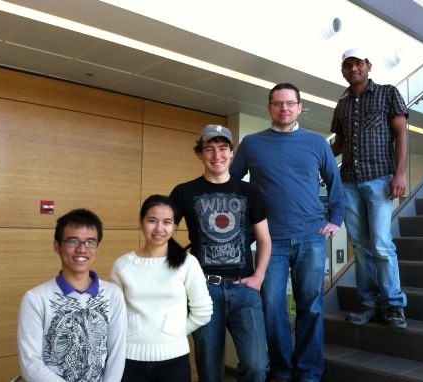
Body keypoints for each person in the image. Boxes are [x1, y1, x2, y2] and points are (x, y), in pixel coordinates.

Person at [230, 83, 345, 382]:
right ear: (269, 108)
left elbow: (334, 181)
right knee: (272, 308)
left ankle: (308, 372)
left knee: (311, 308)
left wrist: (336, 218)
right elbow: (232, 183)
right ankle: (281, 369)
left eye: (290, 103)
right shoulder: (252, 143)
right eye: (278, 103)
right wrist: (243, 222)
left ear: (299, 107)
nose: (284, 108)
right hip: (271, 240)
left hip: (311, 236)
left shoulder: (317, 143)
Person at [170, 124, 271, 382]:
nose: (217, 156)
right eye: (210, 149)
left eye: (223, 149)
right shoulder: (184, 192)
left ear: (232, 152)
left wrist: (258, 278)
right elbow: (163, 233)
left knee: (257, 365)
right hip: (203, 290)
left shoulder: (249, 192)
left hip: (244, 289)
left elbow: (264, 240)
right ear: (201, 154)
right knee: (209, 369)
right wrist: (179, 273)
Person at [330, 48, 408, 329]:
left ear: (368, 66)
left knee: (381, 244)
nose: (354, 69)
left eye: (358, 64)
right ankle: (369, 303)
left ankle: (393, 304)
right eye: (348, 65)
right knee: (360, 246)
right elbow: (337, 145)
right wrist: (312, 154)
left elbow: (401, 132)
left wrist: (399, 173)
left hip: (379, 178)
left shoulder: (388, 93)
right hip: (349, 181)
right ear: (343, 71)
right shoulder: (342, 105)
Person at [110, 194, 213, 382]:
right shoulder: (122, 265)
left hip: (174, 361)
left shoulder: (187, 263)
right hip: (128, 359)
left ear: (174, 227)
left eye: (167, 222)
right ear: (141, 222)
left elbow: (204, 312)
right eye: (152, 220)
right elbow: (114, 315)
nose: (159, 228)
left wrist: (174, 333)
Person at [17, 208, 127, 382]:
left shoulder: (113, 294)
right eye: (73, 241)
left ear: (97, 247)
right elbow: (30, 365)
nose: (82, 249)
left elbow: (117, 353)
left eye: (90, 242)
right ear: (57, 246)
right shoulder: (35, 299)